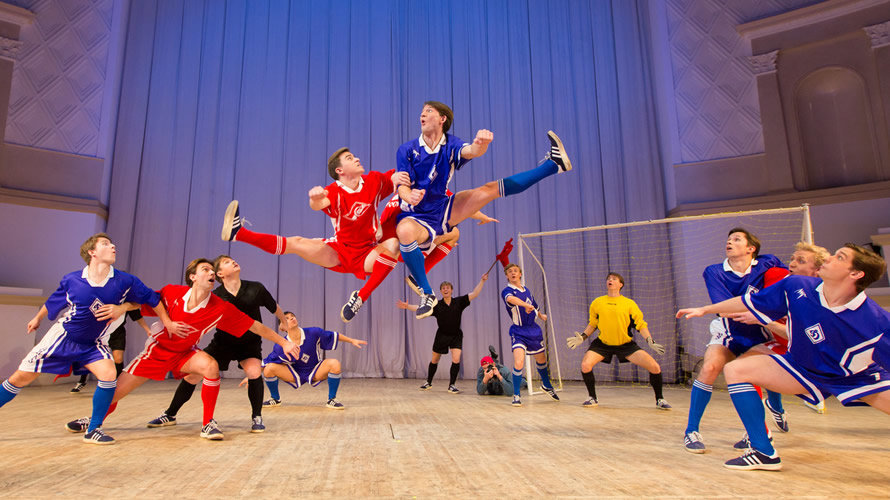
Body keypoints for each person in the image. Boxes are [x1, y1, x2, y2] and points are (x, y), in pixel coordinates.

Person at [677, 243, 890, 471]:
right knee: (736, 369)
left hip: (856, 378)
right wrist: (705, 309)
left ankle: (774, 412)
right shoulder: (796, 285)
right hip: (802, 368)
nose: (829, 259)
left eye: (839, 257)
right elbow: (747, 302)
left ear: (856, 274)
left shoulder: (878, 322)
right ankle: (763, 452)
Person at [65, 258, 299, 442]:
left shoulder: (220, 307)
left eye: (211, 270)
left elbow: (255, 326)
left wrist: (284, 342)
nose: (210, 273)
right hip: (156, 353)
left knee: (210, 366)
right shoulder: (171, 293)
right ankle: (94, 421)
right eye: (205, 269)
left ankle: (208, 423)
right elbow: (144, 302)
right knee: (115, 393)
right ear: (193, 277)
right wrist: (123, 307)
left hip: (185, 354)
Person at [396, 101, 572, 318]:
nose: (422, 115)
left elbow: (471, 150)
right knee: (404, 231)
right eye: (421, 112)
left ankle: (553, 165)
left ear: (442, 119)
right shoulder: (407, 149)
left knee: (488, 190)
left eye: (428, 111)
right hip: (415, 215)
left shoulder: (450, 144)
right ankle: (427, 292)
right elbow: (402, 186)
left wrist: (481, 144)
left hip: (443, 208)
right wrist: (409, 195)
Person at [0, 233, 179, 445]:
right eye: (106, 244)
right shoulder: (72, 279)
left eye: (112, 244)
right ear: (92, 253)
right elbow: (53, 301)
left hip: (95, 342)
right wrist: (37, 318)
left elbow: (151, 300)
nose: (113, 246)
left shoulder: (126, 281)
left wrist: (137, 311)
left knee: (109, 373)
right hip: (63, 338)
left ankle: (93, 430)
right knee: (20, 378)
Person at [221, 148, 409, 323]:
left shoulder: (374, 181)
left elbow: (395, 176)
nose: (357, 158)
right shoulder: (333, 192)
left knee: (393, 245)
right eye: (350, 158)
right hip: (339, 251)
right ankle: (239, 233)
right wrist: (315, 198)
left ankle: (360, 297)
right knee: (296, 243)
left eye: (354, 156)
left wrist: (404, 174)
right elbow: (318, 204)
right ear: (340, 170)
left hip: (367, 252)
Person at [145, 255, 288, 434]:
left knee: (254, 372)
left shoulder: (256, 288)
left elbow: (273, 306)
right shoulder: (216, 296)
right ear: (220, 273)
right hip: (223, 342)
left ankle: (256, 417)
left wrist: (283, 321)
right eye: (227, 262)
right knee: (192, 377)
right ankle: (170, 414)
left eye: (233, 260)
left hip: (249, 343)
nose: (234, 261)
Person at [682, 228, 785, 454]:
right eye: (728, 239)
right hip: (729, 331)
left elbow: (785, 283)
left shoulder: (768, 263)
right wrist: (759, 304)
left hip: (759, 331)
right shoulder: (715, 271)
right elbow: (725, 309)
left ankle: (768, 416)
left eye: (736, 239)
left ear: (751, 249)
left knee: (762, 375)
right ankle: (691, 431)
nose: (729, 242)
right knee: (709, 368)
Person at [566, 272, 670, 410]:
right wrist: (582, 337)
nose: (610, 280)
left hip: (625, 345)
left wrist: (650, 340)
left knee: (655, 367)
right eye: (608, 279)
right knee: (585, 365)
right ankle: (592, 397)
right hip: (603, 344)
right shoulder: (597, 302)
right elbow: (593, 324)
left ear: (620, 284)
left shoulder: (629, 304)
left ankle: (660, 399)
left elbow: (641, 325)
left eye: (614, 279)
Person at [397, 273, 489, 393]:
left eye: (448, 288)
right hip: (441, 335)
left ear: (451, 290)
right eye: (443, 288)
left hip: (456, 335)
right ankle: (428, 382)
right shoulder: (436, 305)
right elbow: (420, 307)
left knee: (456, 359)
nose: (445, 290)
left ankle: (452, 385)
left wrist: (482, 281)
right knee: (435, 360)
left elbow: (475, 293)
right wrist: (407, 306)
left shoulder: (459, 301)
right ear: (440, 291)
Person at [261, 311, 366, 409]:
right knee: (269, 369)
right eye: (287, 318)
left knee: (335, 364)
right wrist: (253, 377)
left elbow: (334, 335)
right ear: (282, 327)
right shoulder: (281, 346)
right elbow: (267, 362)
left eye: (292, 316)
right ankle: (275, 398)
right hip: (295, 373)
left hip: (315, 369)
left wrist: (352, 340)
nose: (292, 318)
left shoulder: (313, 332)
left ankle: (332, 399)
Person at [501, 263, 559, 406]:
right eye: (509, 271)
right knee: (519, 362)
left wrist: (540, 315)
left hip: (533, 330)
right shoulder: (507, 291)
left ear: (520, 274)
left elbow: (534, 305)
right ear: (507, 276)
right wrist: (525, 305)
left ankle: (546, 385)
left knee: (541, 360)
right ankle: (516, 395)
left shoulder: (527, 290)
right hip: (519, 331)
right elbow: (511, 300)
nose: (513, 273)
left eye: (515, 271)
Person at [70, 309, 150, 393]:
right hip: (100, 332)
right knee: (90, 358)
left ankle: (117, 385)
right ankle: (82, 381)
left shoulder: (127, 300)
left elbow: (136, 315)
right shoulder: (104, 298)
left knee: (118, 359)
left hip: (117, 333)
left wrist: (147, 329)